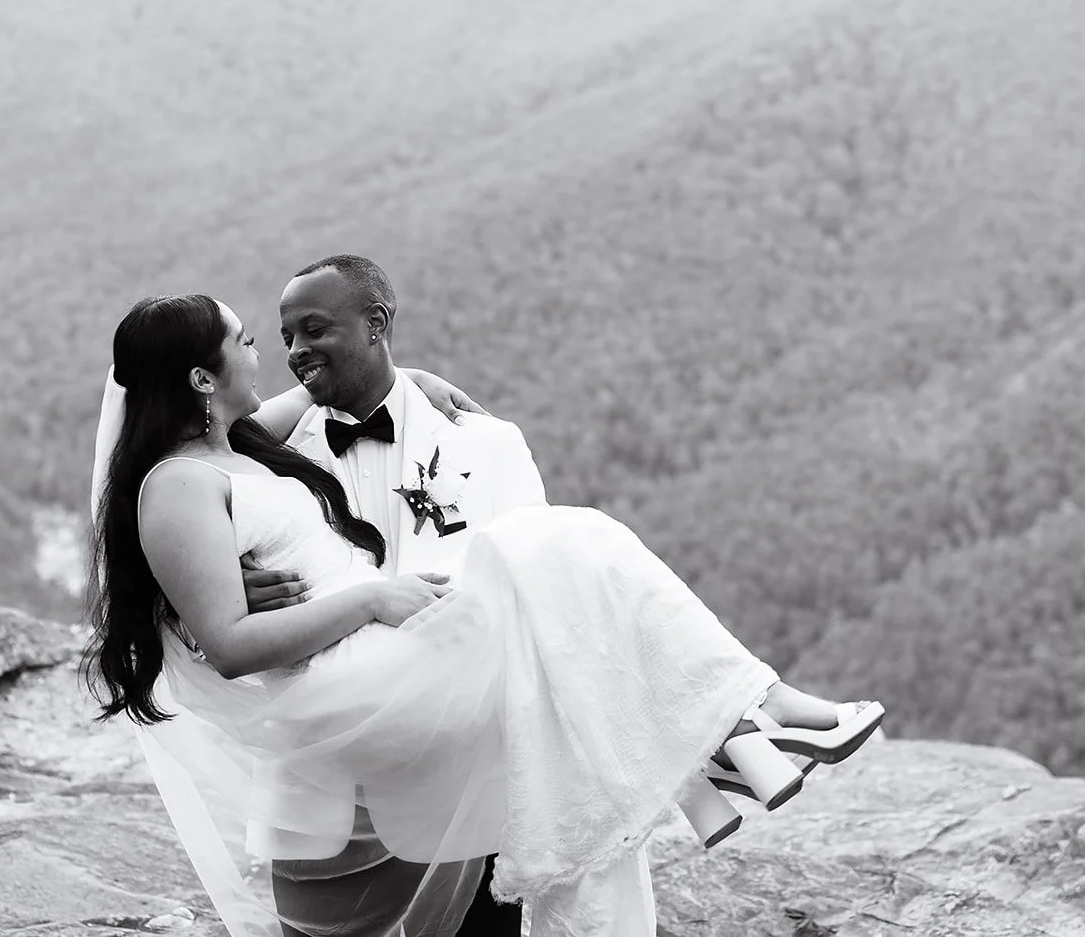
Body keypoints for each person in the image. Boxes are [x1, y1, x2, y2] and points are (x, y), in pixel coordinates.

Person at [86, 291, 884, 937]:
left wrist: (416, 376)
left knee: (560, 568)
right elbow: (226, 645)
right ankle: (741, 724)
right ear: (199, 377)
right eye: (245, 339)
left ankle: (733, 731)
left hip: (382, 659)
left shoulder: (240, 443)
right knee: (555, 547)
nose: (265, 351)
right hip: (351, 680)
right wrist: (368, 596)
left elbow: (335, 378)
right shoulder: (179, 483)